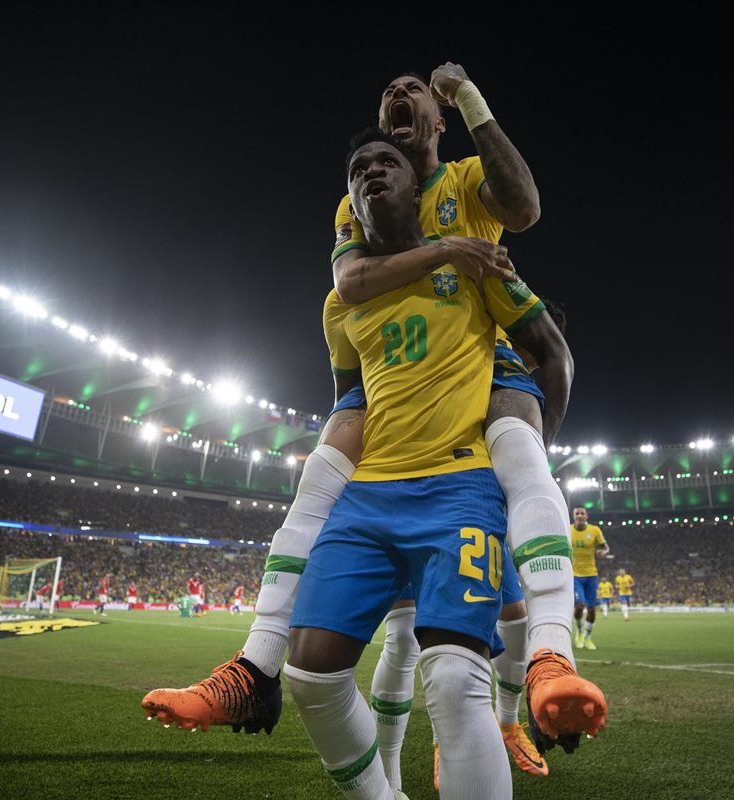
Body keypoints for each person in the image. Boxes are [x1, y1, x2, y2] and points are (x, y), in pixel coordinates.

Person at [142, 66, 594, 769]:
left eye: (410, 89)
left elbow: (526, 212)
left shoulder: (466, 180)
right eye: (386, 96)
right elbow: (348, 285)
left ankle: (535, 679)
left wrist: (467, 96)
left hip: (477, 367)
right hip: (392, 410)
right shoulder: (354, 215)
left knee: (472, 623)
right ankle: (260, 669)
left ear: (436, 121)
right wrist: (446, 249)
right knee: (335, 474)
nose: (395, 97)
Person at [284, 130, 601, 800]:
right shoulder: (342, 303)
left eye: (387, 163)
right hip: (370, 497)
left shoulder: (476, 268)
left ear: (416, 188)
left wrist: (524, 452)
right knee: (309, 673)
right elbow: (347, 399)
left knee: (455, 680)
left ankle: (544, 667)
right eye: (358, 169)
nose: (373, 172)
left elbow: (553, 353)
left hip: (459, 485)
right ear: (349, 205)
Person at [570, 507, 608, 650]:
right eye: (577, 514)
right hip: (575, 575)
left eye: (582, 513)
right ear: (573, 517)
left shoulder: (594, 531)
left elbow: (605, 547)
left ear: (587, 516)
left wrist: (602, 552)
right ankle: (579, 632)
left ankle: (587, 638)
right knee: (579, 606)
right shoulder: (568, 530)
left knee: (592, 610)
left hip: (591, 575)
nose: (580, 515)